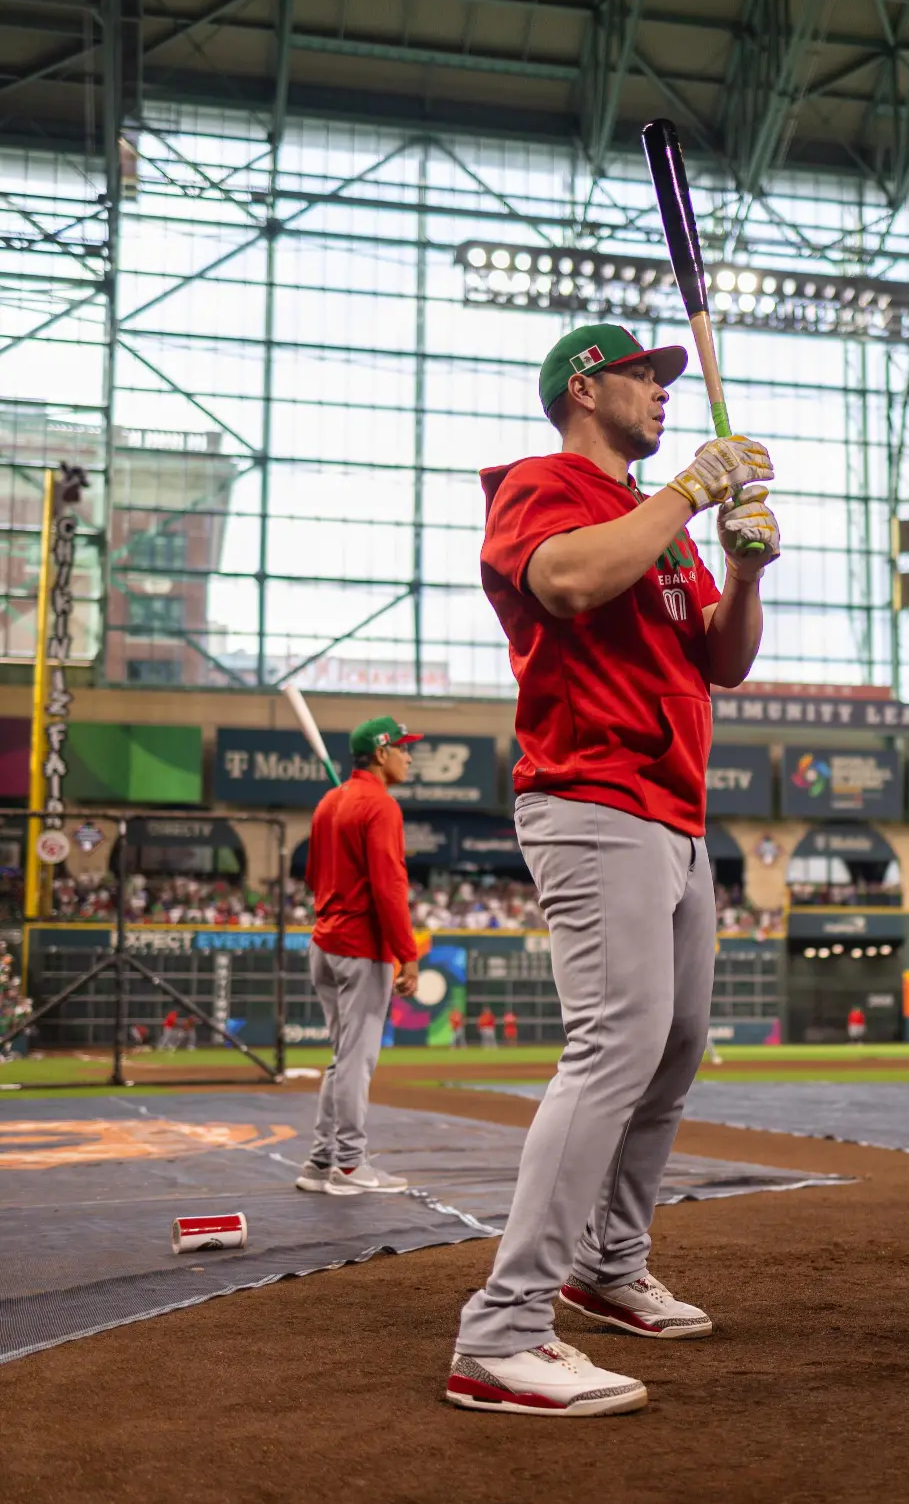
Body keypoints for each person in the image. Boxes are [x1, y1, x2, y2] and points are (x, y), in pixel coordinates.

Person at [447, 320, 779, 1418]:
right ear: (585, 385)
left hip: (675, 809)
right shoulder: (543, 485)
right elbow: (571, 584)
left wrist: (739, 560)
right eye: (645, 373)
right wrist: (689, 490)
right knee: (615, 1045)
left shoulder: (667, 529)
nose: (662, 391)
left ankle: (607, 1261)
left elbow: (721, 661)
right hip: (592, 793)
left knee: (675, 1047)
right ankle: (500, 1331)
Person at [294, 715, 423, 1196]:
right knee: (355, 1062)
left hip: (323, 942)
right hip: (359, 946)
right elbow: (390, 889)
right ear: (382, 753)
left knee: (341, 1058)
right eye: (404, 749)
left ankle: (320, 1161)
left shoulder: (331, 800)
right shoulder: (381, 806)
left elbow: (310, 875)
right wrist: (406, 955)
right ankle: (350, 1164)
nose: (410, 757)